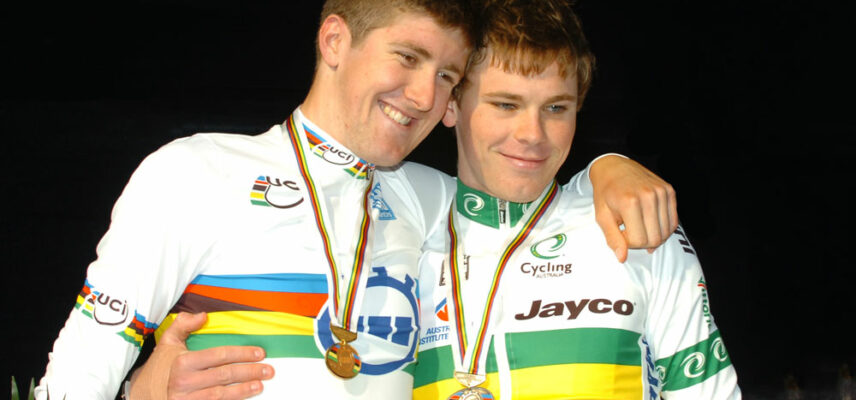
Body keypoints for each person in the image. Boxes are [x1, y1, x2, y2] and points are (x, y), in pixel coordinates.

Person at [34, 0, 677, 399]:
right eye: (408, 57)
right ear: (335, 41)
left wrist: (607, 168)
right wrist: (138, 394)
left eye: (446, 75)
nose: (425, 96)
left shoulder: (428, 198)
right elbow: (80, 368)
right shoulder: (195, 172)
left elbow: (532, 201)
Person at [411, 0, 741, 398]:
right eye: (506, 104)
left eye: (555, 107)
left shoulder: (633, 226)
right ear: (451, 104)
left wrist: (608, 164)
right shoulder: (401, 234)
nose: (532, 134)